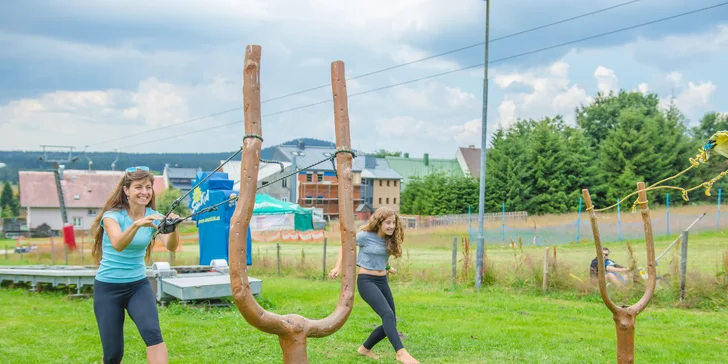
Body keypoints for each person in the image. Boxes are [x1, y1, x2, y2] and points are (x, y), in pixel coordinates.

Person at [89, 166, 180, 364]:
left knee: (153, 334)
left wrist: (173, 229)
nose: (144, 192)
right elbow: (118, 244)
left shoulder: (154, 216)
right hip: (107, 288)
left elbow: (171, 246)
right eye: (138, 187)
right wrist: (137, 224)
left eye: (148, 187)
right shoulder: (112, 216)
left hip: (137, 286)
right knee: (113, 355)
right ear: (126, 190)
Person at [328, 207, 419, 364]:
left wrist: (388, 268)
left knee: (390, 321)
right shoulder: (365, 236)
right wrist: (337, 267)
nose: (392, 226)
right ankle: (401, 353)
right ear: (379, 222)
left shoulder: (389, 238)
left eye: (394, 223)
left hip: (382, 280)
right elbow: (345, 247)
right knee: (388, 315)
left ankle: (364, 349)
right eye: (388, 223)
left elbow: (380, 256)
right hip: (366, 281)